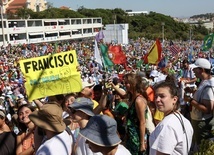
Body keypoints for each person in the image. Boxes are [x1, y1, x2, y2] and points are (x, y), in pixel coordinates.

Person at [149, 81, 193, 155]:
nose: (157, 100)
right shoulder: (184, 120)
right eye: (156, 96)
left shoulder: (167, 125)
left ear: (174, 99)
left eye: (162, 96)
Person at [111, 73, 149, 154]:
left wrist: (142, 143)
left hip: (137, 137)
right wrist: (114, 87)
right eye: (124, 83)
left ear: (134, 83)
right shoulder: (132, 97)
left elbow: (142, 122)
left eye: (127, 83)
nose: (125, 85)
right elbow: (124, 95)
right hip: (131, 136)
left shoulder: (139, 100)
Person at [187, 58, 214, 149]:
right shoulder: (205, 81)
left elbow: (207, 109)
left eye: (195, 69)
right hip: (199, 120)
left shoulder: (209, 86)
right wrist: (192, 91)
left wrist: (190, 100)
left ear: (201, 70)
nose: (193, 71)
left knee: (201, 147)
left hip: (202, 122)